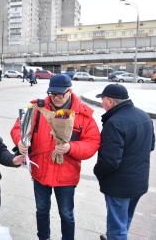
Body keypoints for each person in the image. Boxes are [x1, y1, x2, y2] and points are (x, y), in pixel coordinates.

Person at [10, 74, 100, 240]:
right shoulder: (36, 108)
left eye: (61, 94)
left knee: (66, 214)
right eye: (53, 94)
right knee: (42, 210)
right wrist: (21, 141)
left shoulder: (82, 114)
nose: (57, 98)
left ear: (70, 91)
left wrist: (71, 147)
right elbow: (18, 128)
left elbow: (93, 142)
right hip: (40, 172)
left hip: (66, 176)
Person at [94, 84, 155, 240]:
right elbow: (151, 146)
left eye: (103, 99)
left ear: (110, 101)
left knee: (117, 228)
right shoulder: (144, 116)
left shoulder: (114, 123)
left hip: (119, 186)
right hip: (139, 181)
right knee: (124, 219)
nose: (102, 103)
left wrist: (97, 172)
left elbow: (109, 161)